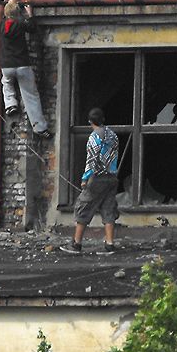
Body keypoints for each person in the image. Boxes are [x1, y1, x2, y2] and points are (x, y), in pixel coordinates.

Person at [64, 107, 119, 254]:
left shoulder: (94, 138)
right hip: (112, 177)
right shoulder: (113, 135)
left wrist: (85, 178)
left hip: (97, 178)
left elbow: (91, 160)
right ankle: (109, 244)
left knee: (84, 208)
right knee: (108, 210)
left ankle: (76, 244)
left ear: (90, 121)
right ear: (103, 119)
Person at [0, 0, 50, 138]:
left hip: (6, 66)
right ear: (18, 13)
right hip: (22, 65)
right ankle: (40, 127)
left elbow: (7, 18)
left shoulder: (1, 25)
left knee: (6, 83)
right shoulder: (21, 24)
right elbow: (32, 27)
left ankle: (10, 104)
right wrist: (30, 14)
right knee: (31, 95)